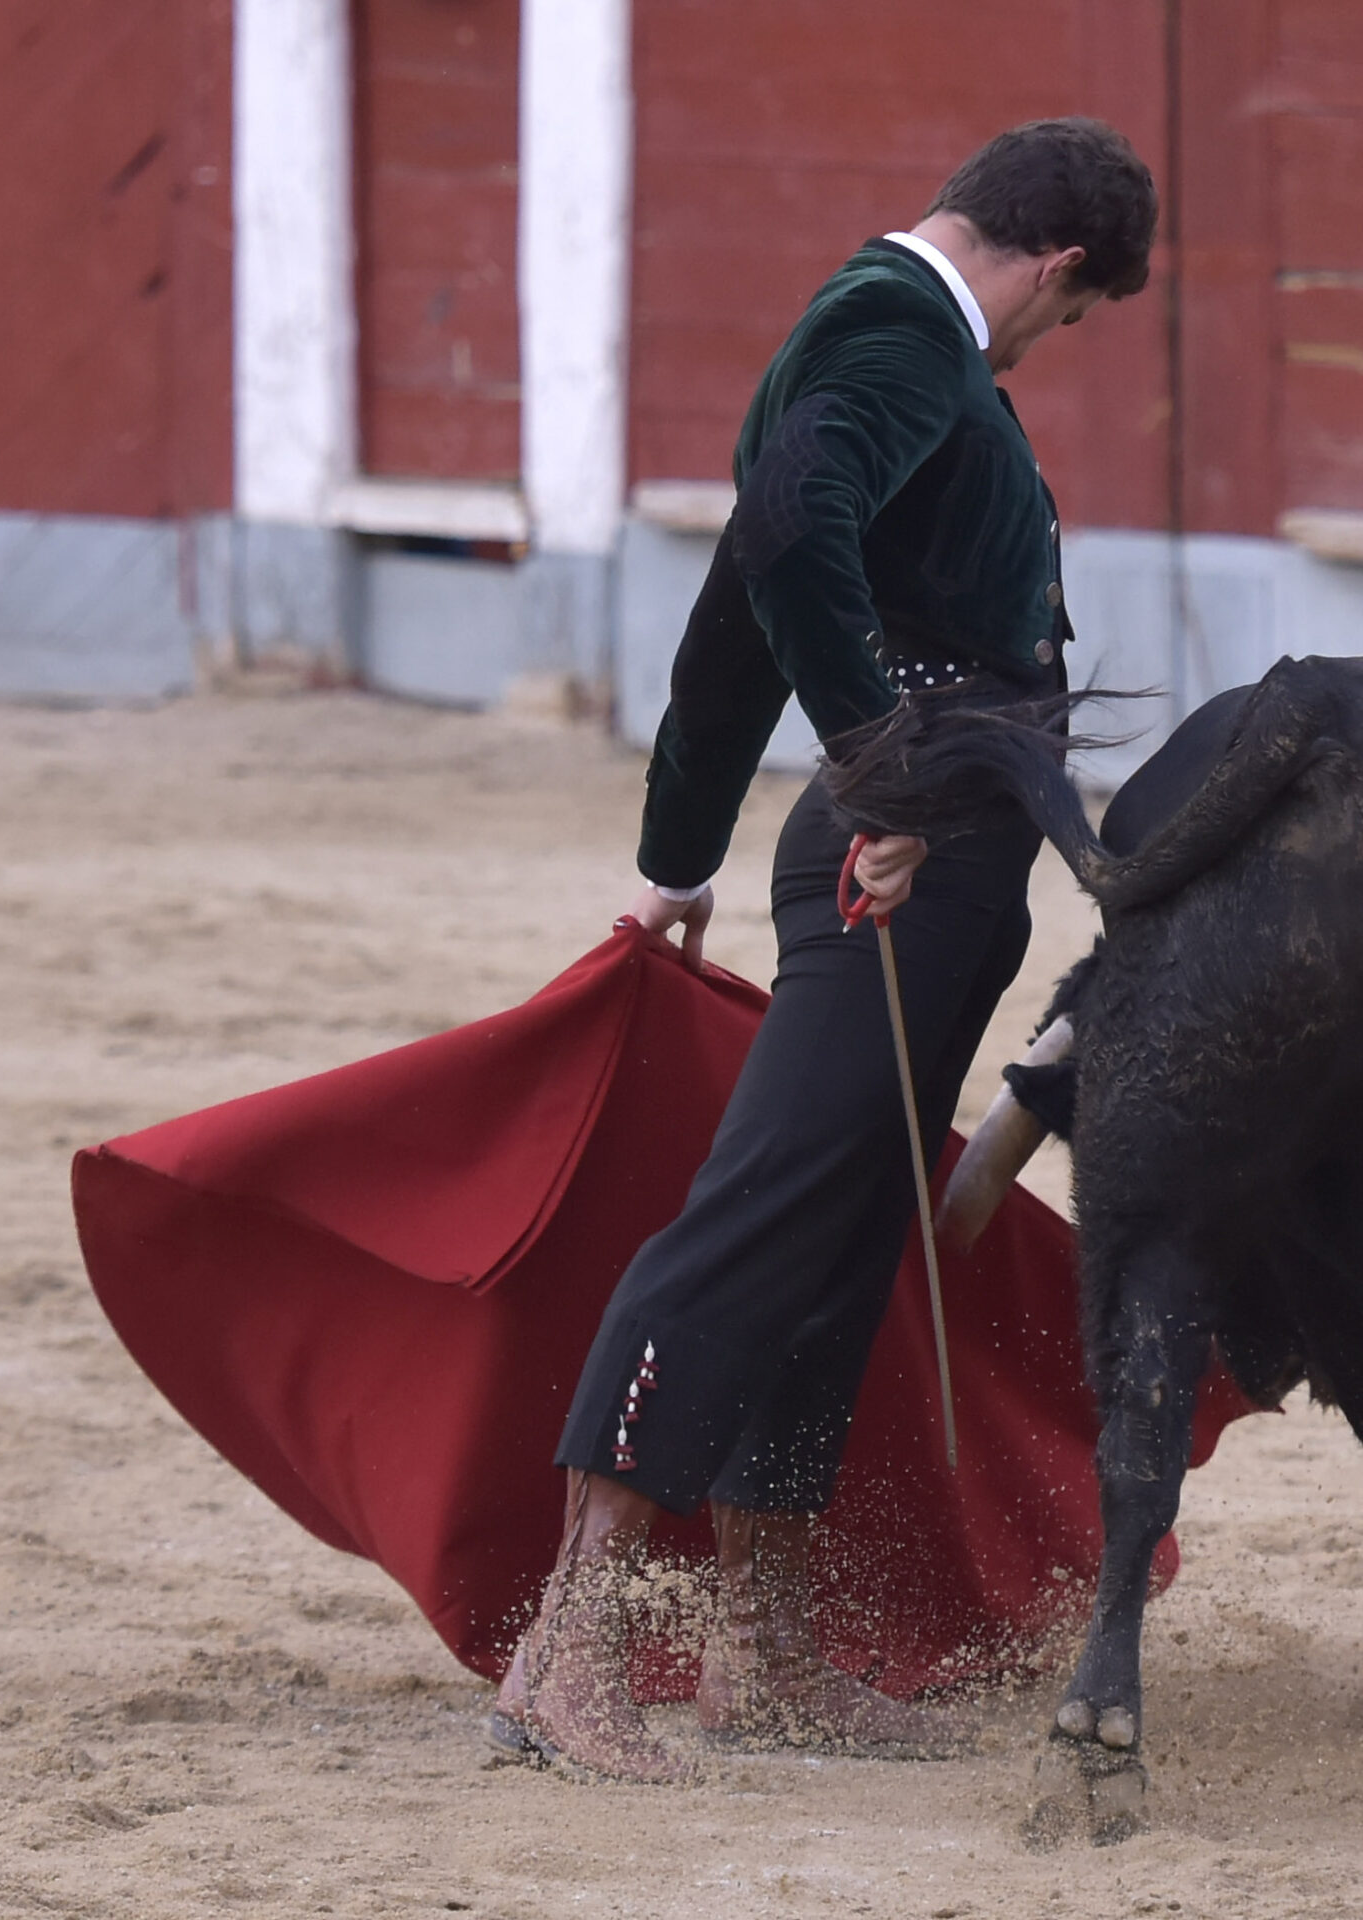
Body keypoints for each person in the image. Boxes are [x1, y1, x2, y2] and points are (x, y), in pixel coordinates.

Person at [489, 118, 1158, 1781]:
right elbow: (786, 548)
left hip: (917, 837)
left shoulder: (869, 333)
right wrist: (873, 769)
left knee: (844, 1227)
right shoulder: (898, 331)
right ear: (1056, 265)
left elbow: (739, 606)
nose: (1040, 345)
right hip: (900, 849)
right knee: (767, 1215)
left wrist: (674, 855)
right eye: (1065, 322)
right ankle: (563, 1656)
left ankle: (772, 1656)